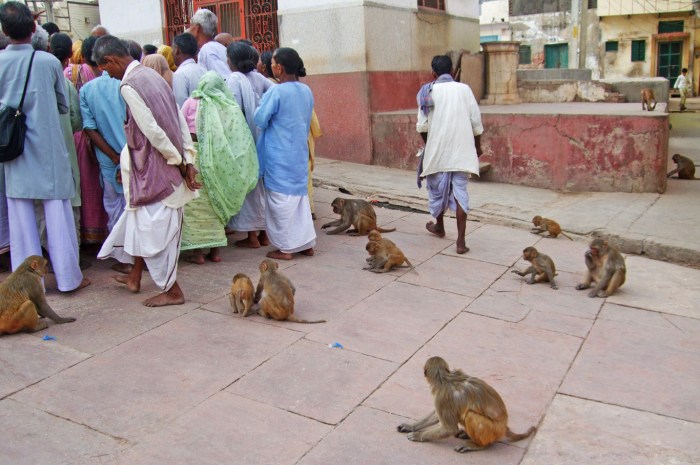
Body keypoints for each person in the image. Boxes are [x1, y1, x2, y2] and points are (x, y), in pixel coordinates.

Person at [93, 35, 200, 307]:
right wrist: (186, 159)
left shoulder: (129, 85)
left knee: (155, 232)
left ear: (111, 60)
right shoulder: (154, 76)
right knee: (140, 223)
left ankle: (172, 290)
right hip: (157, 167)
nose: (108, 75)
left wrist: (179, 161)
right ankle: (135, 276)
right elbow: (176, 118)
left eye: (106, 69)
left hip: (155, 172)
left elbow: (153, 130)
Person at [0, 2, 88, 292]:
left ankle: (24, 285)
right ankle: (67, 278)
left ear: (4, 30)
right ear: (33, 29)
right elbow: (64, 106)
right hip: (48, 152)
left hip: (14, 150)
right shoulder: (49, 63)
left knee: (22, 222)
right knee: (58, 218)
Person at [180, 72, 258, 263]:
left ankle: (197, 253)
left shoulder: (191, 102)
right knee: (216, 205)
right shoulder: (228, 106)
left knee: (195, 204)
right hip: (219, 162)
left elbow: (180, 127)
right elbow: (238, 137)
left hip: (194, 158)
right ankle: (215, 252)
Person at [416, 55, 483, 255]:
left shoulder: (427, 92)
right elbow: (476, 124)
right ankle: (460, 242)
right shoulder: (465, 90)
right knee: (460, 194)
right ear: (452, 71)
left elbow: (421, 126)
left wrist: (431, 144)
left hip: (438, 152)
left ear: (433, 73)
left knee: (436, 191)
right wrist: (478, 148)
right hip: (462, 151)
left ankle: (439, 226)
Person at [253, 47, 315, 260]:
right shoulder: (306, 91)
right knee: (299, 200)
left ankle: (286, 248)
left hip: (279, 154)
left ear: (279, 68)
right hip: (298, 152)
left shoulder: (277, 91)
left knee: (280, 201)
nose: (269, 67)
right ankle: (306, 243)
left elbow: (260, 119)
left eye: (272, 64)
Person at [225, 41, 274, 248]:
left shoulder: (233, 80)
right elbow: (274, 92)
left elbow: (233, 111)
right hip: (261, 136)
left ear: (232, 60)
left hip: (243, 139)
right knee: (260, 185)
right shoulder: (259, 77)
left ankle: (252, 236)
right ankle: (264, 233)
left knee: (247, 186)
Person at [79, 47, 129, 237]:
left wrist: (114, 157)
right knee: (135, 207)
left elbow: (89, 128)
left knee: (114, 208)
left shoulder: (87, 89)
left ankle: (124, 258)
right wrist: (124, 157)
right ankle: (137, 256)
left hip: (110, 161)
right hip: (133, 156)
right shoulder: (127, 82)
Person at [65, 35, 109, 244]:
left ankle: (87, 235)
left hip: (78, 139)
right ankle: (104, 236)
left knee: (85, 186)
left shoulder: (68, 75)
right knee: (98, 188)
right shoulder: (108, 80)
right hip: (97, 141)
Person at [48, 32, 82, 246]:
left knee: (44, 210)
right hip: (65, 151)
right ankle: (73, 255)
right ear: (69, 55)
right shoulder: (65, 84)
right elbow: (77, 120)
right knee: (70, 204)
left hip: (37, 157)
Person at [188, 9, 229, 78]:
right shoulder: (217, 47)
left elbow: (222, 78)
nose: (189, 29)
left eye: (191, 25)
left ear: (197, 28)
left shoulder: (207, 50)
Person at [172, 32, 206, 107]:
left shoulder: (180, 74)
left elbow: (180, 106)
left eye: (173, 48)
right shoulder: (204, 70)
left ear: (177, 49)